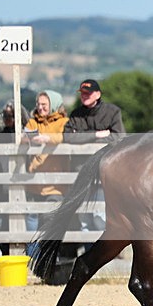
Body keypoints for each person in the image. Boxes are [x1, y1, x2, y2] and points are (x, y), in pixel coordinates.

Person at [63, 79, 125, 239]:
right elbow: (67, 137)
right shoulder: (76, 114)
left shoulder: (112, 112)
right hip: (81, 173)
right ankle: (89, 257)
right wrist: (96, 135)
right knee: (84, 218)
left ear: (97, 94)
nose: (84, 96)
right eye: (82, 93)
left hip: (103, 173)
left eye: (88, 93)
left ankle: (100, 255)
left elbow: (118, 137)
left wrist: (83, 138)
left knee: (99, 217)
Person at [22, 91, 69, 255]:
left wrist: (47, 138)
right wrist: (27, 138)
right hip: (34, 182)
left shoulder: (63, 122)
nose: (40, 108)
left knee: (50, 221)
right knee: (31, 220)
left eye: (44, 105)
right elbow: (23, 137)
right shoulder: (33, 122)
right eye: (38, 105)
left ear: (54, 105)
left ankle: (47, 259)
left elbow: (65, 137)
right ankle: (32, 258)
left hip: (55, 184)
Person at [0, 101, 29, 255]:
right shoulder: (2, 134)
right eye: (4, 115)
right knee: (1, 232)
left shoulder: (26, 134)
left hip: (23, 190)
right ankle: (8, 260)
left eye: (10, 116)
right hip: (2, 189)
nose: (6, 119)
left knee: (25, 231)